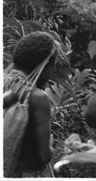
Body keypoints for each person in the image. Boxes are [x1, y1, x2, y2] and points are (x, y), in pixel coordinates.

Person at [4, 32, 56, 176]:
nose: (52, 72)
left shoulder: (5, 82)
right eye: (52, 67)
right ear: (44, 67)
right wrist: (51, 145)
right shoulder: (38, 98)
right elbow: (44, 156)